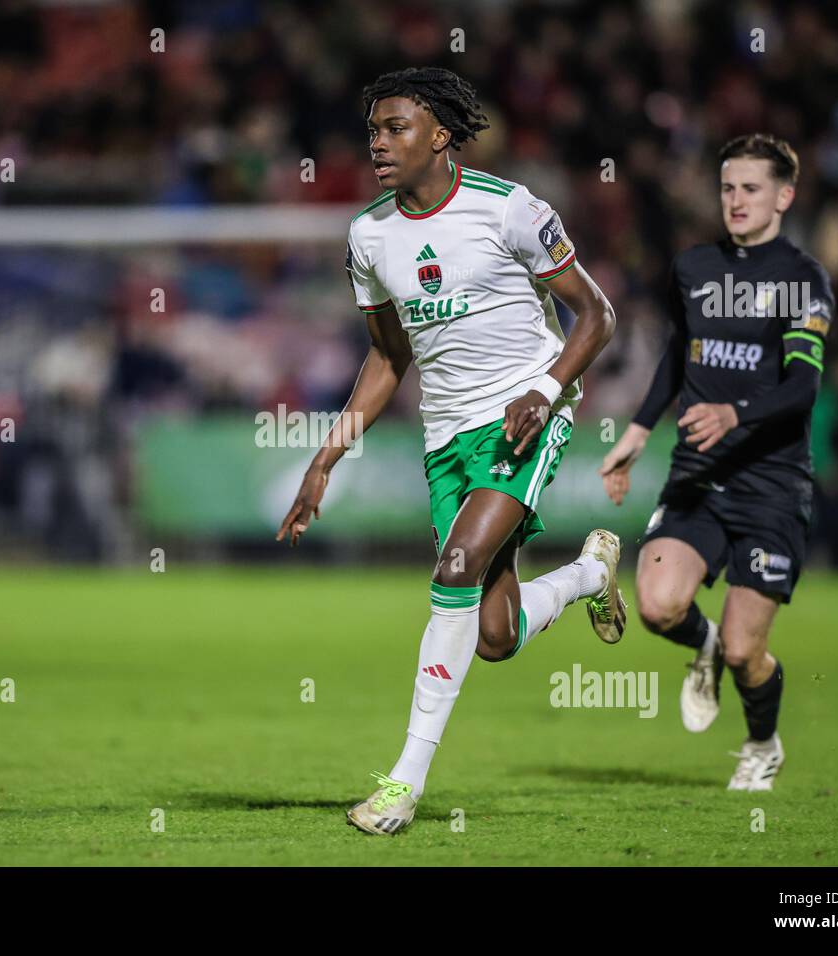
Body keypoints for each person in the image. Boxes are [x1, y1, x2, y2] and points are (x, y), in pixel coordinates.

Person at [277, 67, 623, 836]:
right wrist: (325, 456)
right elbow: (387, 359)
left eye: (395, 127)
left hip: (525, 417)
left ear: (439, 134)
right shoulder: (369, 235)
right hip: (445, 436)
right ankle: (592, 573)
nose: (379, 143)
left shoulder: (511, 210)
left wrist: (545, 387)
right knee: (494, 635)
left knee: (456, 567)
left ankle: (402, 783)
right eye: (372, 130)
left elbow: (596, 315)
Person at [600, 134, 835, 791]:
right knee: (656, 606)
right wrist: (640, 429)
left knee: (745, 650)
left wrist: (735, 413)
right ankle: (699, 645)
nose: (735, 200)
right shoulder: (695, 267)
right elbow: (680, 351)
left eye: (751, 188)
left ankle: (762, 743)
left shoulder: (802, 280)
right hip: (698, 477)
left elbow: (803, 387)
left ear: (784, 196)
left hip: (771, 485)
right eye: (728, 187)